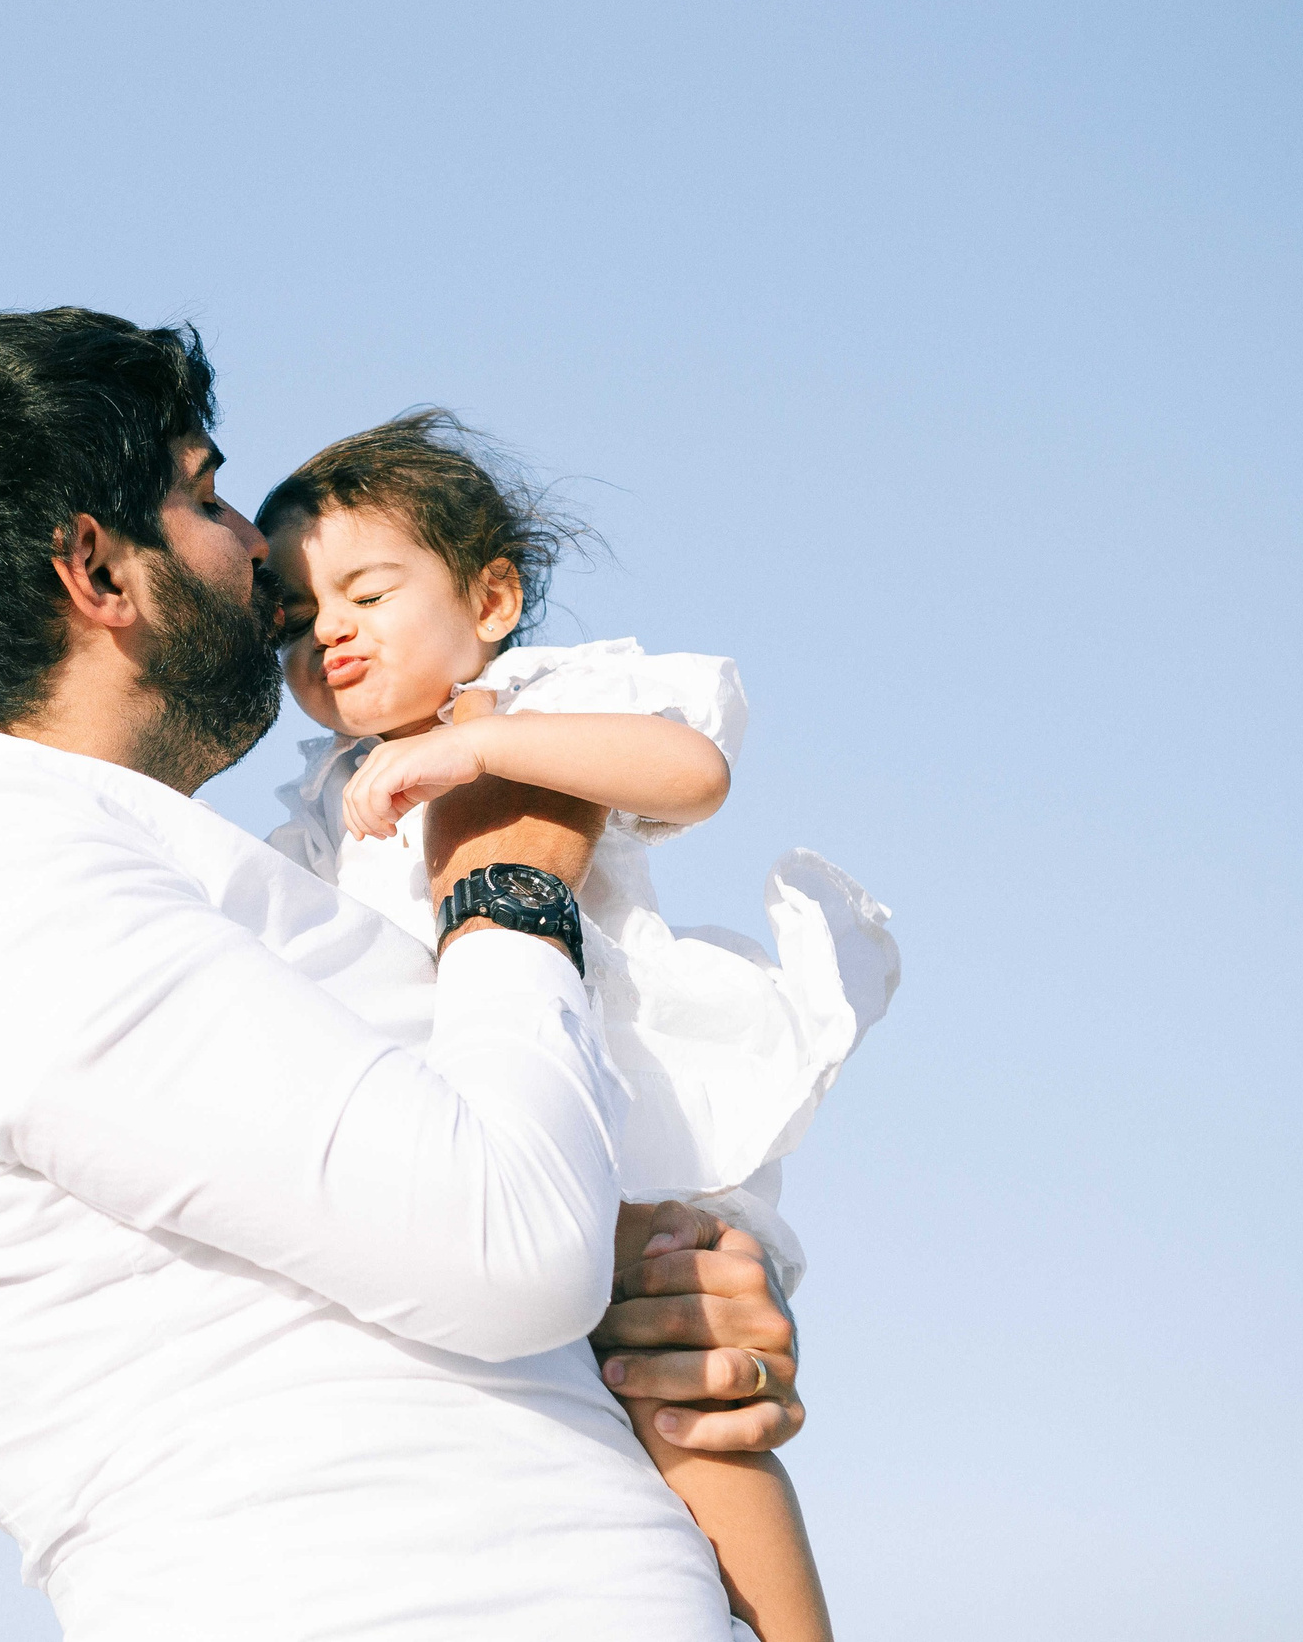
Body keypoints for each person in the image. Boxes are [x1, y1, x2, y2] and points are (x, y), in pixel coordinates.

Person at [0, 308, 806, 1641]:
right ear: (100, 569)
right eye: (205, 493)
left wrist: (670, 1278)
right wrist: (510, 884)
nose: (257, 549)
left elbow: (500, 1205)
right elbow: (508, 1247)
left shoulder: (191, 879)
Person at [257, 412, 903, 1642]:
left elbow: (691, 774)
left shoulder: (544, 704)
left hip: (612, 1107)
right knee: (579, 1394)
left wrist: (485, 746)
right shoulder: (327, 801)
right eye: (291, 617)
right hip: (466, 1123)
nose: (327, 629)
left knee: (680, 1395)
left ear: (490, 596)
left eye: (366, 590)